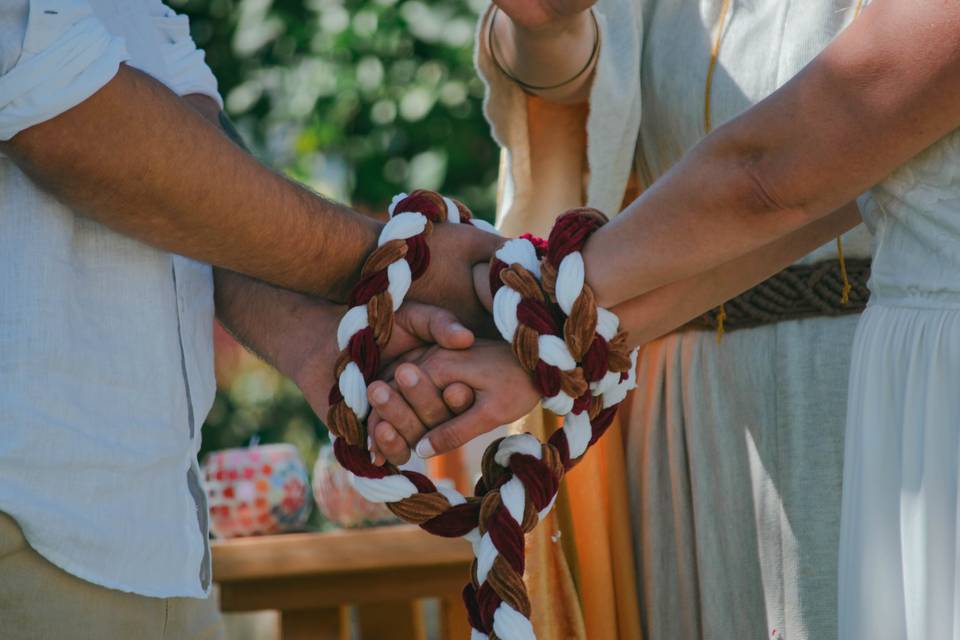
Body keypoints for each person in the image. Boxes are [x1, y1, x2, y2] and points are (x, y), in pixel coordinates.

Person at [367, 0, 960, 637]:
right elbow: (801, 203)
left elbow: (770, 178)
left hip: (915, 392)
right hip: (724, 396)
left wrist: (519, 299)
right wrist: (544, 339)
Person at [0, 2, 496, 637]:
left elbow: (180, 148)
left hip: (158, 537)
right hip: (25, 516)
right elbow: (54, 104)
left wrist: (313, 337)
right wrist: (385, 263)